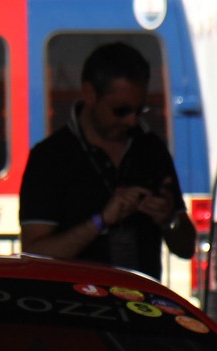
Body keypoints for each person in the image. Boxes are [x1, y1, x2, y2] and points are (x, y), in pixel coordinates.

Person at [19, 42, 196, 278]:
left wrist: (168, 219)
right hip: (78, 307)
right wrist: (100, 221)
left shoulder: (151, 149)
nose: (131, 121)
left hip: (139, 306)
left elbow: (186, 248)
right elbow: (34, 254)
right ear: (90, 94)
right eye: (121, 110)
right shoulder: (50, 158)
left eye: (139, 110)